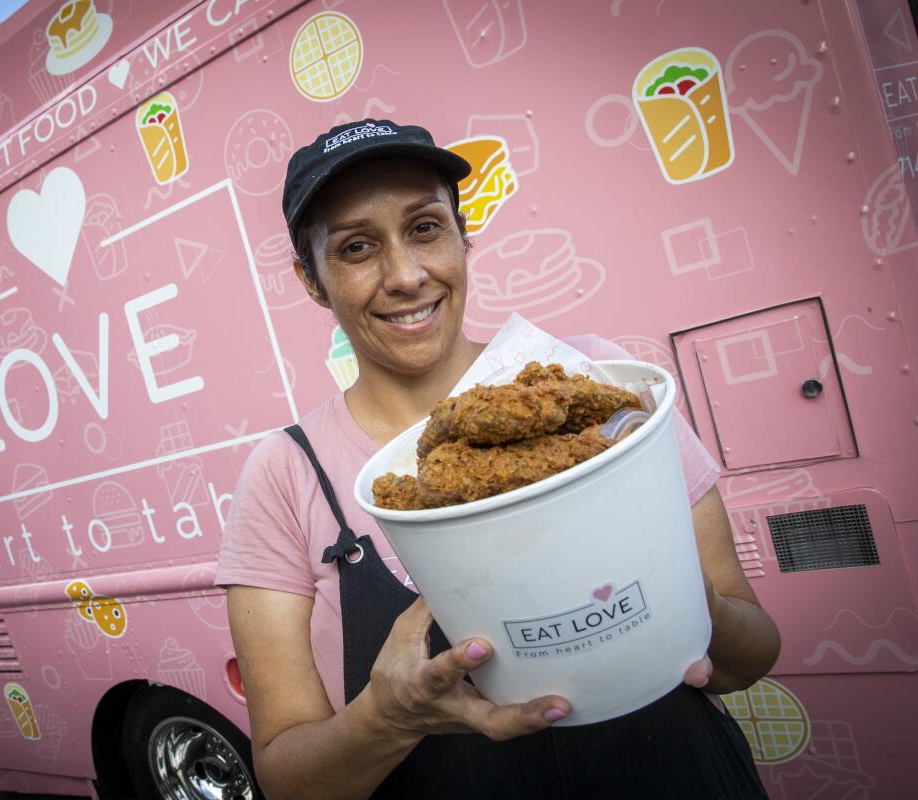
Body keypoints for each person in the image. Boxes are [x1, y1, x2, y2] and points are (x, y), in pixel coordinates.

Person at [216, 119, 781, 799]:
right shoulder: (284, 474)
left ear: (462, 237)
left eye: (425, 228)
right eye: (358, 247)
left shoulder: (598, 386)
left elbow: (752, 653)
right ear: (313, 280)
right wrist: (387, 718)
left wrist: (687, 611)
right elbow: (284, 778)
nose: (405, 275)